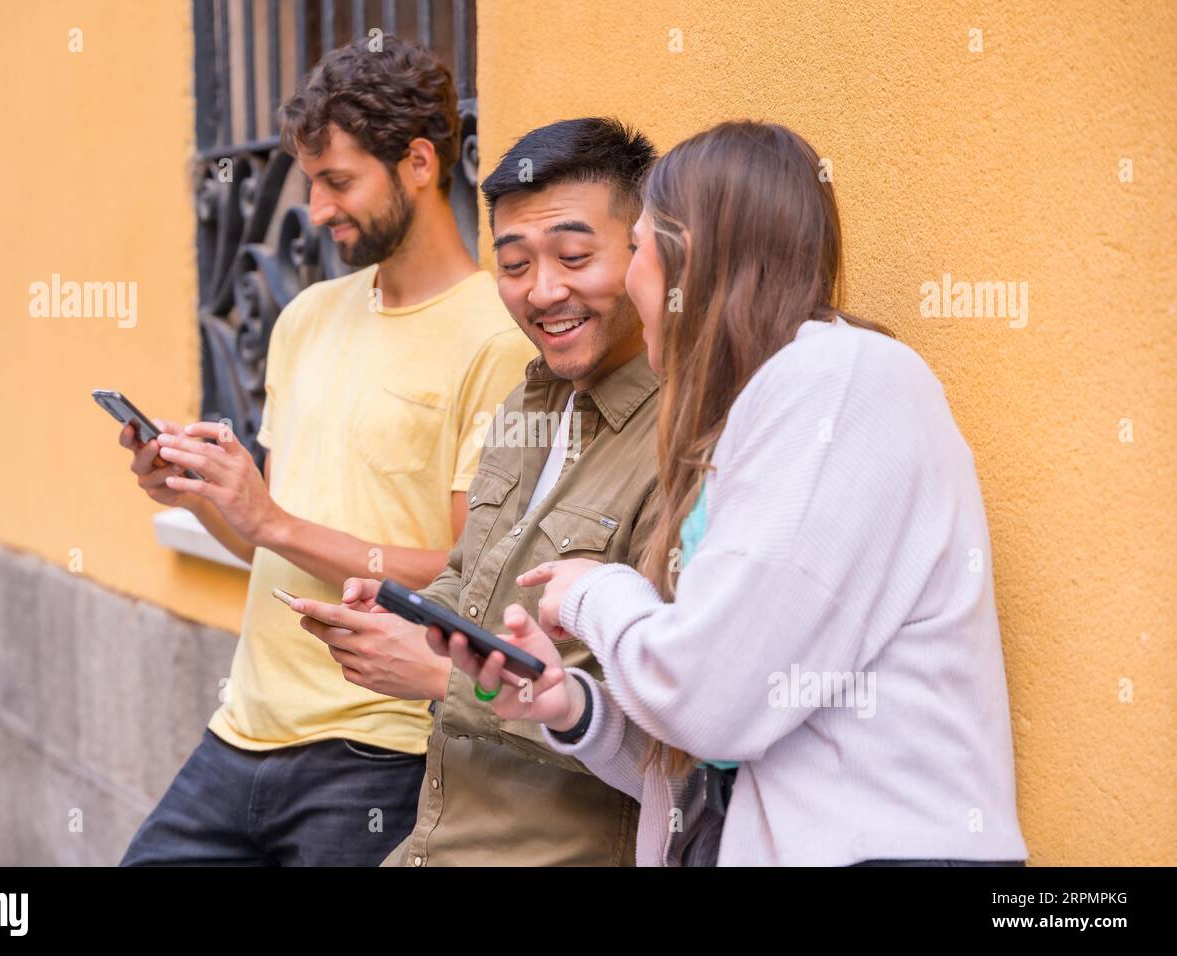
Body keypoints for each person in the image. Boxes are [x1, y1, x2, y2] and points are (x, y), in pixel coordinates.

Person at [435, 120, 1030, 867]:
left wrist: (598, 593)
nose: (624, 278)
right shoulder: (754, 410)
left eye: (635, 247)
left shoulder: (840, 381)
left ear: (690, 257)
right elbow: (711, 752)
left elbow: (711, 701)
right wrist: (573, 705)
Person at [116, 35, 534, 866]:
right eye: (312, 181)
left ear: (419, 162)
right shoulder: (304, 316)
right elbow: (272, 537)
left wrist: (271, 522)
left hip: (377, 751)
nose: (315, 208)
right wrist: (204, 495)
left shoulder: (496, 337)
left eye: (339, 181)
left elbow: (468, 572)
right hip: (241, 727)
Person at [291, 117, 661, 865]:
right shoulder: (529, 401)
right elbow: (470, 575)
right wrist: (410, 621)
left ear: (645, 251)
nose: (543, 291)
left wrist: (435, 675)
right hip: (431, 844)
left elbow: (664, 716)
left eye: (575, 256)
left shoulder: (682, 439)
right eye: (516, 264)